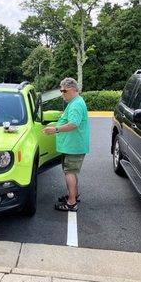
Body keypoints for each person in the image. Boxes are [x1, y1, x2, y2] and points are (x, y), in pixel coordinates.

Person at [42, 77, 90, 212]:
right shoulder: (75, 102)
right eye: (61, 91)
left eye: (64, 91)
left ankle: (71, 203)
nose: (62, 94)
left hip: (74, 146)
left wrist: (55, 129)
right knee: (72, 172)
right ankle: (73, 195)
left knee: (69, 172)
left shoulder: (75, 104)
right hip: (73, 145)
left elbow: (74, 124)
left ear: (73, 90)